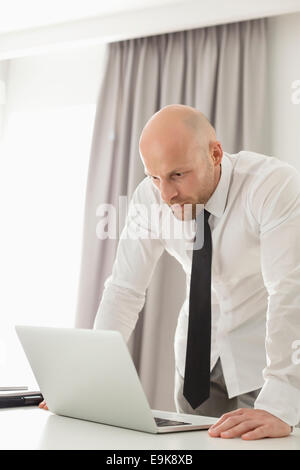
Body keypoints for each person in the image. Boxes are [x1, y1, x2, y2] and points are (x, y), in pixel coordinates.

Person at [40, 104, 300, 440]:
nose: (166, 194)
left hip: (265, 367)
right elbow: (123, 290)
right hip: (195, 366)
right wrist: (87, 382)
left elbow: (289, 291)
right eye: (154, 177)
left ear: (216, 154)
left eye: (178, 174)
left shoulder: (272, 186)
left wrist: (282, 401)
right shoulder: (150, 198)